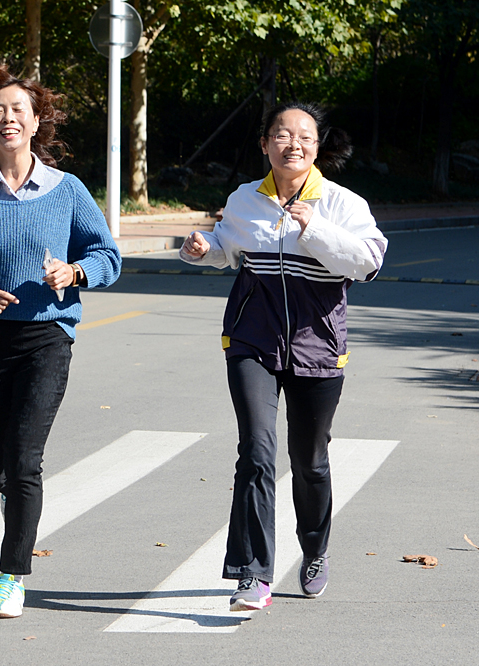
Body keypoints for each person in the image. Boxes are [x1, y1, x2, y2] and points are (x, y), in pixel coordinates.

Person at [0, 65, 121, 619]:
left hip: (46, 338)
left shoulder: (68, 191)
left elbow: (107, 257)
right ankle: (12, 493)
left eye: (18, 110)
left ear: (37, 122)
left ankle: (10, 576)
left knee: (24, 461)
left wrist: (74, 273)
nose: (7, 118)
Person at [180, 102, 387, 611]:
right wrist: (202, 248)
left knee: (309, 460)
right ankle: (252, 574)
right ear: (265, 143)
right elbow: (228, 247)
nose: (293, 144)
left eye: (304, 137)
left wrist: (314, 228)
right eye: (281, 135)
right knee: (256, 450)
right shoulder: (244, 199)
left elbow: (368, 263)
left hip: (319, 346)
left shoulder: (342, 204)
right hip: (251, 341)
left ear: (317, 147)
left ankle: (314, 551)